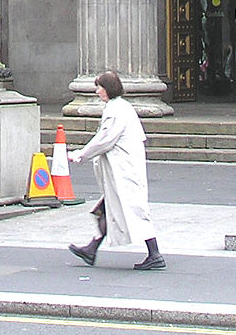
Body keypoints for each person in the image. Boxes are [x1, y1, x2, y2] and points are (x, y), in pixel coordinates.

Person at [67, 70, 165, 271]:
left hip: (124, 172)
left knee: (135, 210)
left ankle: (154, 254)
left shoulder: (116, 110)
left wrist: (82, 154)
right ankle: (92, 248)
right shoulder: (121, 107)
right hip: (123, 170)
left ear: (108, 89)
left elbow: (105, 139)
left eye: (100, 87)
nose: (97, 91)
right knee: (108, 208)